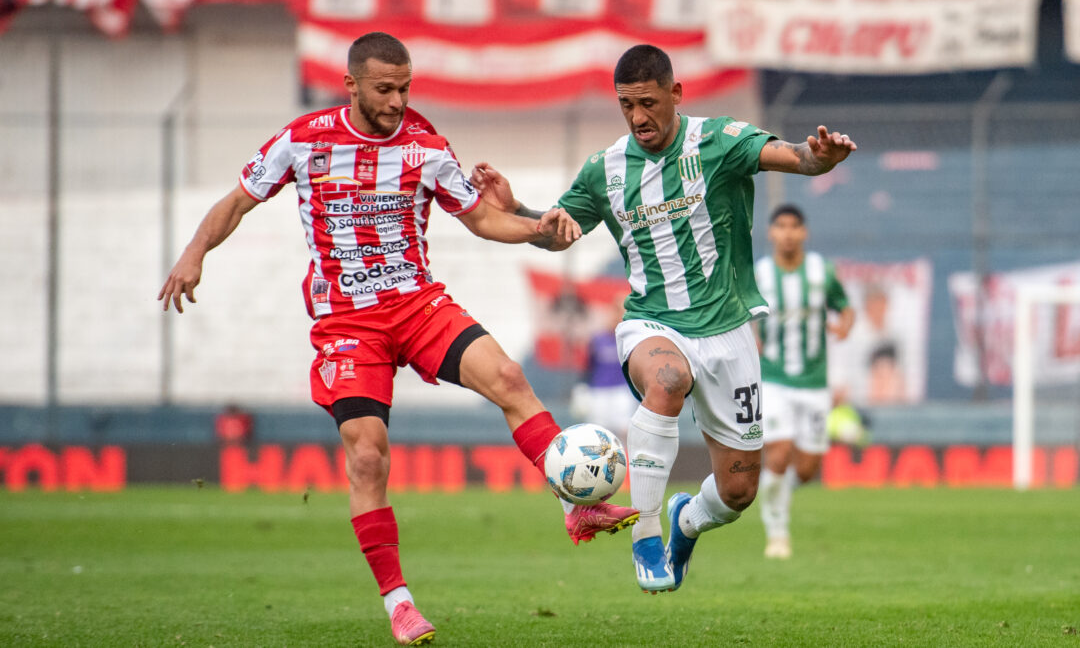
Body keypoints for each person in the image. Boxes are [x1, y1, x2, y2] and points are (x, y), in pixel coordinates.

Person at [158, 32, 638, 646]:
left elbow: (482, 218)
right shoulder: (303, 140)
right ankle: (400, 602)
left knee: (511, 379)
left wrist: (533, 224)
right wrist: (195, 254)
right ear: (351, 85)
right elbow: (236, 203)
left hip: (415, 303)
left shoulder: (425, 145)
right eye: (385, 89)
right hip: (348, 322)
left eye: (405, 87)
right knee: (367, 455)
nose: (397, 100)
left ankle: (576, 502)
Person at [471, 44, 856, 593]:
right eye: (627, 105)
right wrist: (518, 211)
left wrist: (822, 157)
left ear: (676, 94)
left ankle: (684, 520)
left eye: (648, 103)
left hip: (727, 331)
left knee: (738, 493)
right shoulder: (605, 169)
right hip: (652, 323)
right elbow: (557, 230)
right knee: (668, 380)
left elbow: (797, 157)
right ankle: (646, 534)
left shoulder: (719, 142)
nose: (638, 117)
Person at [754, 204, 855, 560]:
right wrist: (749, 335)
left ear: (804, 232)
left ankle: (777, 496)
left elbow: (845, 307)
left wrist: (844, 325)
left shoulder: (821, 273)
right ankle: (776, 530)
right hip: (774, 378)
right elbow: (741, 313)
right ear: (771, 233)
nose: (787, 233)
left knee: (808, 468)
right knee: (779, 454)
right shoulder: (760, 275)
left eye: (794, 226)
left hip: (814, 382)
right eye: (780, 226)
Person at [572, 294, 638, 442]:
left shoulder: (629, 340)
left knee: (625, 431)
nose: (616, 316)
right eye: (615, 311)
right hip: (599, 392)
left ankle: (626, 463)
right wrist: (582, 389)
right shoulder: (597, 339)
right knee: (598, 435)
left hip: (622, 391)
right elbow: (588, 367)